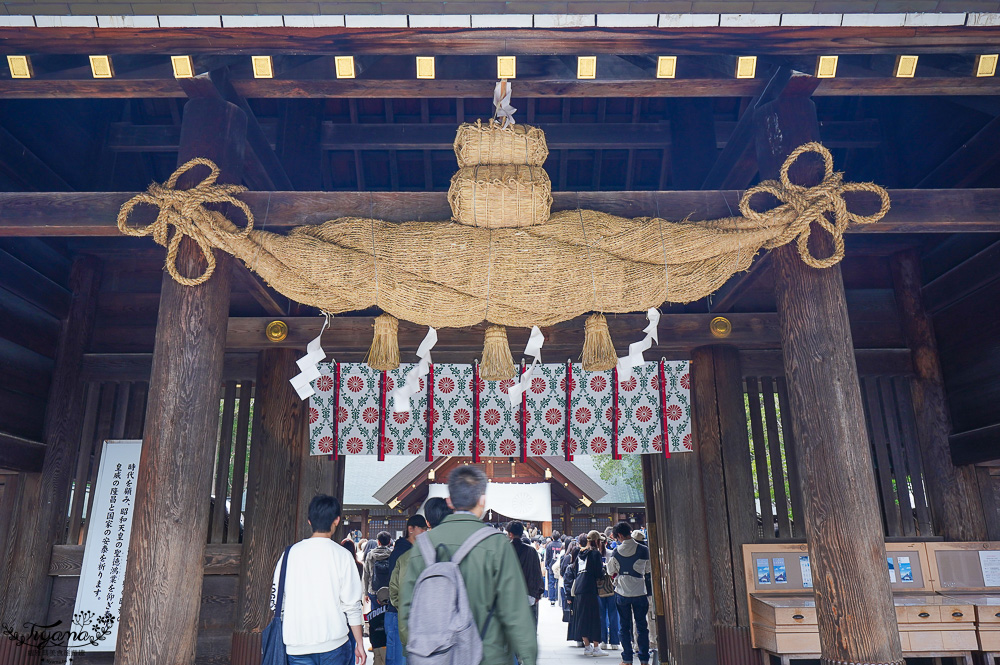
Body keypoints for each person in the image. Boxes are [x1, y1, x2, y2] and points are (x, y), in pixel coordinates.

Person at [399, 467, 538, 665]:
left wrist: (416, 650)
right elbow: (515, 610)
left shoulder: (423, 545)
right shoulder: (496, 544)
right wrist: (528, 656)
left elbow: (407, 606)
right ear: (482, 500)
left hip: (435, 655)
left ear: (449, 501)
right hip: (489, 655)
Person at [270, 494, 366, 665]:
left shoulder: (288, 554)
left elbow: (276, 602)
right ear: (336, 520)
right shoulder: (343, 556)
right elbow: (352, 606)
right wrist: (359, 642)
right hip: (333, 643)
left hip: (296, 644)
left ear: (309, 521)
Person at [383, 515, 427, 665]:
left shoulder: (413, 551)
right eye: (423, 529)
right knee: (398, 661)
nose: (426, 533)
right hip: (398, 615)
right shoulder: (403, 553)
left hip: (404, 614)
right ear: (411, 529)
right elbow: (396, 589)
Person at [607, 522, 652, 665]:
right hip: (640, 592)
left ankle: (627, 658)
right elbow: (648, 570)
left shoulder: (616, 552)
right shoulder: (644, 550)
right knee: (641, 626)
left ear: (619, 535)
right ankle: (644, 658)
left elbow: (610, 571)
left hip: (622, 593)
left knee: (624, 627)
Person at [570, 530, 607, 657]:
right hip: (590, 588)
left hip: (579, 588)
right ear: (597, 541)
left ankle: (587, 646)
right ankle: (596, 648)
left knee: (582, 617)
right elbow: (598, 573)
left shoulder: (580, 553)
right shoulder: (595, 554)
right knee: (594, 617)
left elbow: (574, 570)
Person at [507, 521, 545, 627]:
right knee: (529, 626)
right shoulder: (531, 551)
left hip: (509, 595)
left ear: (510, 534)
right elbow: (537, 572)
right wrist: (538, 593)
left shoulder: (505, 550)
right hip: (529, 593)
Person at [598, 532, 621, 653]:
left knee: (606, 614)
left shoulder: (598, 555)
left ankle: (607, 640)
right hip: (608, 588)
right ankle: (611, 641)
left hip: (603, 587)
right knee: (610, 614)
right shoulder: (611, 554)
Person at [543, 531, 562, 606]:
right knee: (558, 582)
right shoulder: (561, 545)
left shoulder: (549, 545)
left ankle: (552, 599)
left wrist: (547, 565)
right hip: (559, 566)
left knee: (551, 583)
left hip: (551, 566)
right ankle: (558, 597)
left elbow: (547, 557)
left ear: (552, 537)